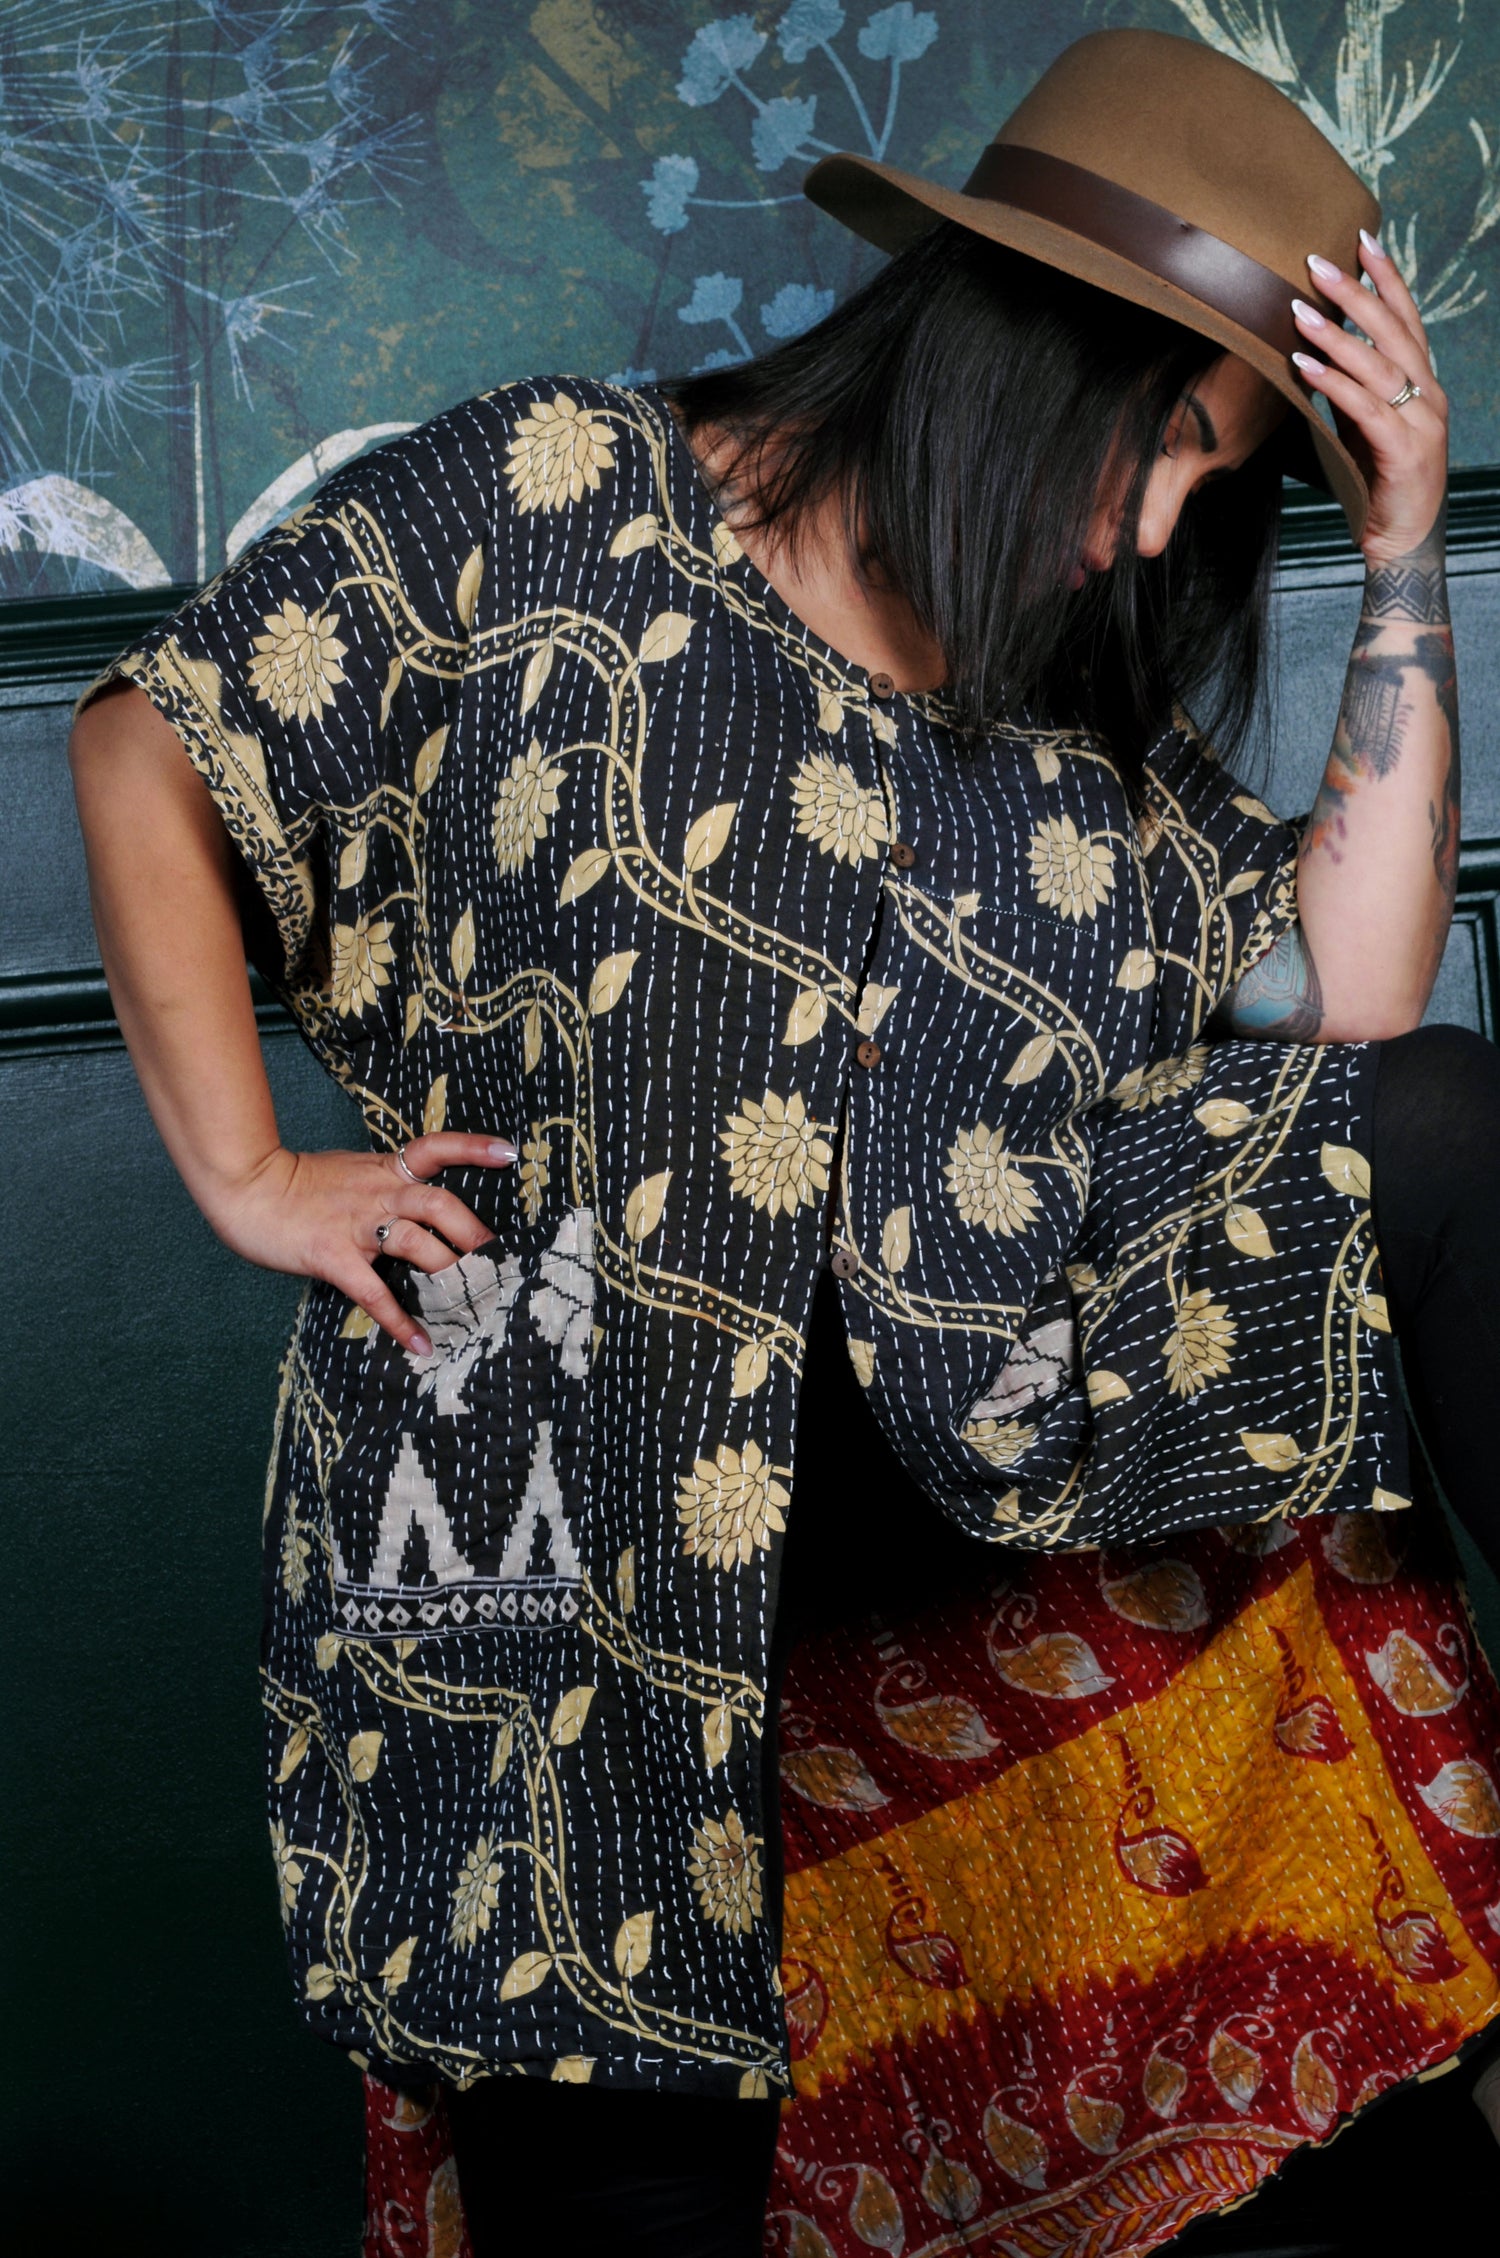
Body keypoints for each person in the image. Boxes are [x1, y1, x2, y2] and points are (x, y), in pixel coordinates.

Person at [67, 28, 1499, 2258]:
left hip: (951, 1413)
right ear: (1026, 337)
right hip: (567, 1462)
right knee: (625, 2170)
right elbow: (152, 745)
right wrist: (252, 1176)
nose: (1150, 529)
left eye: (1213, 485)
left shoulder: (1062, 732)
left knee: (1438, 1123)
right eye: (1161, 438)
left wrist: (1401, 549)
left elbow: (1370, 1006)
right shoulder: (559, 489)